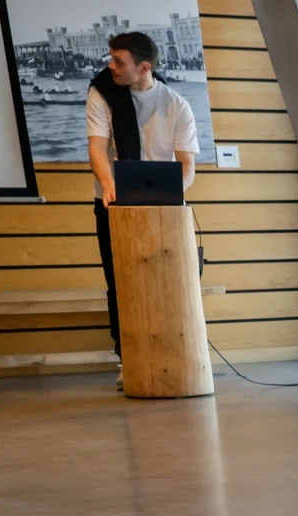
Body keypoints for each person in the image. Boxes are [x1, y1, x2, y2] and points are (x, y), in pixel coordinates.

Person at [86, 32, 200, 391]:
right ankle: (128, 359)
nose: (111, 66)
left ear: (144, 67)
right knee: (120, 284)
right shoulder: (101, 92)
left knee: (167, 283)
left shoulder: (177, 104)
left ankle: (172, 358)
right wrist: (109, 186)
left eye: (119, 61)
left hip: (163, 208)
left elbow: (187, 165)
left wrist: (171, 196)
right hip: (112, 204)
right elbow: (98, 150)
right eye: (111, 58)